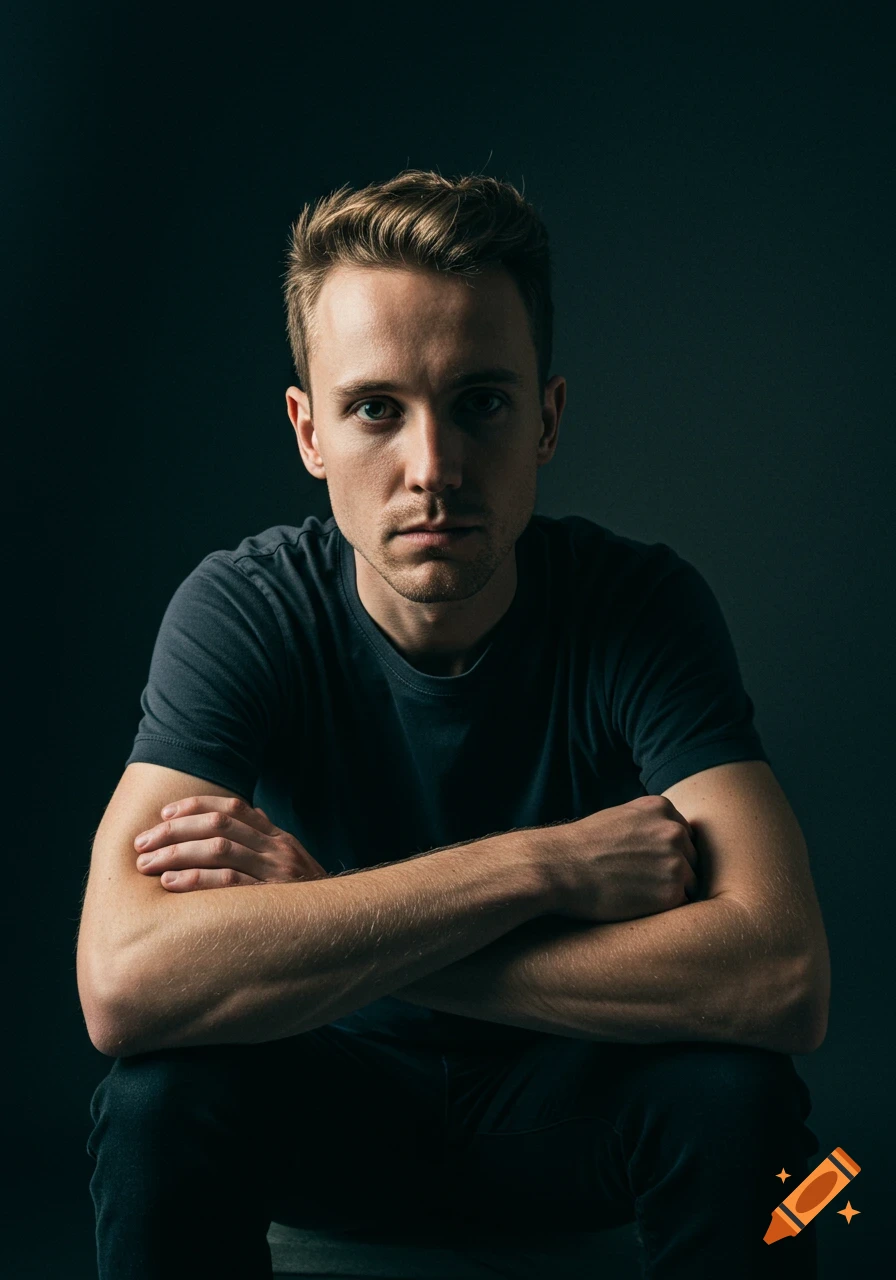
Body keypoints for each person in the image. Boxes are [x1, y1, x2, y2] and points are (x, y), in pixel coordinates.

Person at [77, 168, 830, 1278]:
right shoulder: (242, 609)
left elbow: (784, 977)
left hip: (568, 1104)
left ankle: (832, 1215)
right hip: (332, 1104)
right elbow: (123, 981)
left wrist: (330, 913)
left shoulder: (640, 607)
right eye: (376, 407)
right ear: (308, 432)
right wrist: (543, 865)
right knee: (151, 1102)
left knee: (783, 1137)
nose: (432, 468)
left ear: (546, 418)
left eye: (479, 401)